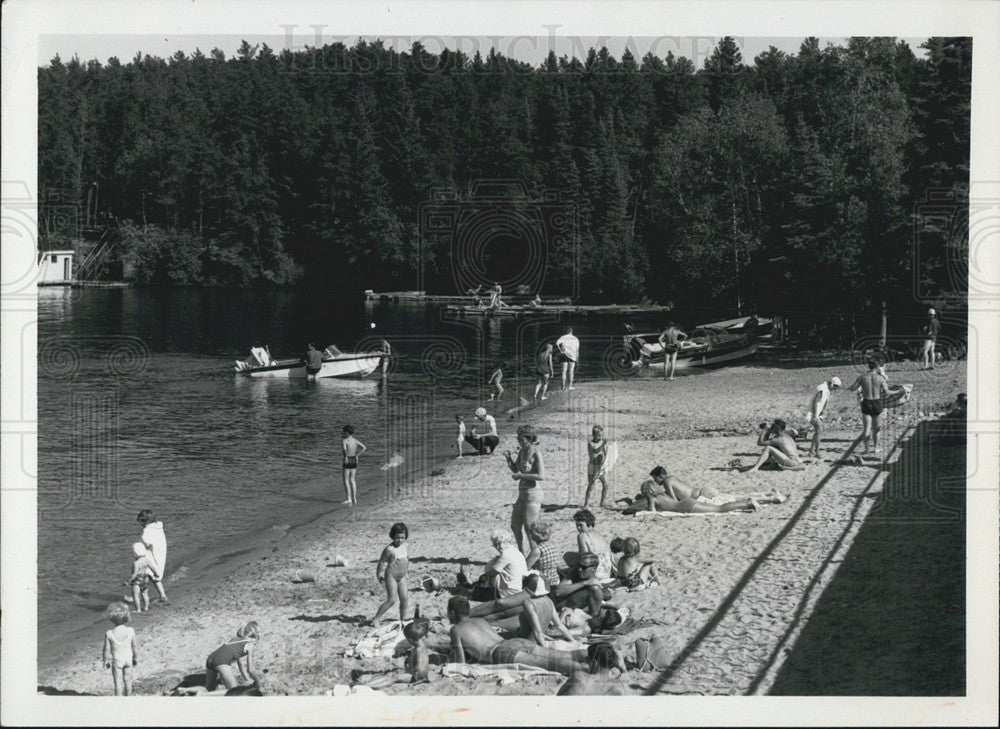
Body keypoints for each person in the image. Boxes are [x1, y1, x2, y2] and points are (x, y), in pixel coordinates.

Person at [447, 596, 586, 675]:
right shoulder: (480, 620)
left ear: (452, 613)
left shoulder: (456, 630)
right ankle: (597, 653)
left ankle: (588, 669)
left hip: (502, 652)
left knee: (550, 664)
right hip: (515, 642)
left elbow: (460, 662)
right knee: (563, 655)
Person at [506, 424, 545, 554]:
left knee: (529, 529)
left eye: (521, 439)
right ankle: (521, 553)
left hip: (533, 495)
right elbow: (516, 469)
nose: (519, 441)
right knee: (515, 526)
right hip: (522, 494)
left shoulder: (536, 453)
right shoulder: (522, 451)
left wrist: (521, 476)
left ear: (529, 439)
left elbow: (541, 476)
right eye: (518, 438)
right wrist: (509, 460)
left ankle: (535, 554)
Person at [849, 358, 891, 456]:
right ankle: (876, 448)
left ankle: (866, 449)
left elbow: (853, 388)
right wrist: (899, 391)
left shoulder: (862, 377)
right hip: (877, 402)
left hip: (866, 402)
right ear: (877, 367)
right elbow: (887, 392)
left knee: (867, 428)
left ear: (868, 366)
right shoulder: (881, 378)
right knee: (876, 428)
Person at [372, 522, 411, 626]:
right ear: (393, 536)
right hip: (391, 576)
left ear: (405, 537)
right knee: (392, 600)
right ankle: (376, 618)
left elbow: (407, 559)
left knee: (404, 599)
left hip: (402, 577)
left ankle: (403, 619)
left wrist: (406, 572)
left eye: (402, 537)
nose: (400, 540)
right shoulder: (390, 549)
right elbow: (381, 562)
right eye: (397, 537)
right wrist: (378, 574)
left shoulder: (406, 546)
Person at [205, 621, 261, 691]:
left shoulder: (233, 640)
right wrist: (258, 683)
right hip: (221, 661)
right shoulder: (250, 645)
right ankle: (202, 694)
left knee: (209, 689)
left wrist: (248, 680)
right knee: (234, 691)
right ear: (256, 636)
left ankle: (188, 690)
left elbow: (240, 664)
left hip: (210, 658)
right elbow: (250, 670)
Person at [556, 643, 628, 696]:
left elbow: (558, 696)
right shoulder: (619, 686)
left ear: (594, 663)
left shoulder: (578, 677)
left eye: (587, 660)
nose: (586, 663)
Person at [551, 553, 605, 617]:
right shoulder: (575, 573)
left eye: (584, 567)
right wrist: (584, 583)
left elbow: (593, 616)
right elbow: (558, 592)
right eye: (578, 565)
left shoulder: (594, 589)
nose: (579, 569)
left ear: (594, 568)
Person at [102, 602, 138, 696]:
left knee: (117, 682)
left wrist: (106, 661)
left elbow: (106, 649)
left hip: (117, 660)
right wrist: (135, 657)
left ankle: (119, 701)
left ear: (111, 618)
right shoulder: (130, 630)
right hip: (128, 659)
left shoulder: (109, 633)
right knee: (127, 680)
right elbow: (134, 646)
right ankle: (128, 698)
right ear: (127, 617)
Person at [137, 509, 169, 605]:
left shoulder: (148, 530)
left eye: (141, 523)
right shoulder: (158, 526)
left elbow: (143, 541)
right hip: (160, 552)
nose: (141, 526)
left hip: (151, 556)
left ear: (145, 522)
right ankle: (163, 596)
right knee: (154, 576)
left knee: (144, 575)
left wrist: (141, 544)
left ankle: (138, 596)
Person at [805, 376, 842, 458]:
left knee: (818, 431)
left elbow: (823, 403)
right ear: (833, 384)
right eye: (836, 387)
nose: (835, 389)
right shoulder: (822, 389)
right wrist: (815, 415)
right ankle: (817, 452)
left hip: (817, 414)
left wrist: (822, 413)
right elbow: (815, 402)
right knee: (819, 431)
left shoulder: (825, 390)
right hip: (813, 414)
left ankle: (811, 451)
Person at [572, 509, 614, 580]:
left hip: (596, 572)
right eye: (577, 525)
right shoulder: (597, 533)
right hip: (608, 571)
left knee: (568, 557)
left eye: (580, 525)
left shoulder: (582, 535)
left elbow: (584, 557)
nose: (578, 528)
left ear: (589, 523)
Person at [124, 542, 160, 613]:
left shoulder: (136, 563)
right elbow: (153, 568)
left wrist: (128, 581)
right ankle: (146, 608)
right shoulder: (146, 560)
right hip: (145, 580)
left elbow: (135, 574)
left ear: (136, 553)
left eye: (133, 553)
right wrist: (156, 574)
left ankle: (138, 609)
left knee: (136, 595)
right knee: (145, 594)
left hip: (137, 581)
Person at [525, 521, 561, 590]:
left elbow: (525, 567)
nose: (530, 534)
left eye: (532, 532)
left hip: (543, 583)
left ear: (540, 535)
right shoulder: (552, 544)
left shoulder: (538, 550)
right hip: (555, 580)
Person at [584, 425, 611, 508]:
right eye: (598, 435)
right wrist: (603, 445)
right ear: (594, 435)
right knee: (591, 485)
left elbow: (605, 454)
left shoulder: (603, 443)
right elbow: (596, 451)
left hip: (601, 467)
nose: (600, 437)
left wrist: (603, 463)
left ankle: (602, 503)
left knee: (606, 485)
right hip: (593, 467)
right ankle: (586, 504)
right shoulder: (591, 443)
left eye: (601, 435)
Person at [341, 425, 366, 504]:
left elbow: (344, 450)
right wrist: (357, 455)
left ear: (347, 433)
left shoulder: (344, 440)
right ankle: (354, 499)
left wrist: (345, 458)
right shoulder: (355, 440)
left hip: (348, 459)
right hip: (354, 459)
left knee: (346, 480)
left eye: (344, 432)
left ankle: (348, 499)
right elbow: (364, 447)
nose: (343, 433)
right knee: (352, 479)